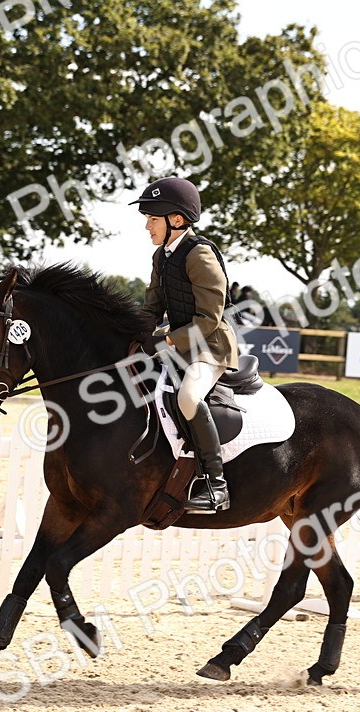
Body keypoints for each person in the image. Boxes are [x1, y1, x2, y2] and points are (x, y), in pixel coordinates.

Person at [131, 177, 238, 513]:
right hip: (178, 343)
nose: (147, 227)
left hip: (210, 346)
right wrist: (133, 333)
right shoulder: (161, 257)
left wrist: (165, 338)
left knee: (189, 396)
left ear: (176, 220)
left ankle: (215, 483)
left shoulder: (200, 255)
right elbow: (152, 305)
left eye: (152, 219)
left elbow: (209, 318)